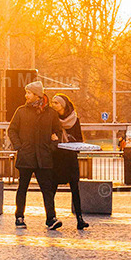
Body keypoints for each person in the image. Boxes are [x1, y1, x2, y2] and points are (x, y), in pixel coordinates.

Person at [8, 80, 63, 230]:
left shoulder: (50, 113)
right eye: (26, 92)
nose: (26, 96)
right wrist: (19, 146)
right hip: (26, 156)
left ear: (37, 95)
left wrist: (52, 147)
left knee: (47, 190)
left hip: (43, 157)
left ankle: (51, 218)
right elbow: (12, 130)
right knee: (22, 188)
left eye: (29, 93)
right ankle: (19, 217)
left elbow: (58, 132)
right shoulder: (21, 111)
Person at [51, 93, 89, 230]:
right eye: (52, 102)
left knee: (75, 188)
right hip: (56, 157)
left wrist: (71, 140)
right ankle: (51, 217)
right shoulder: (51, 118)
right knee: (52, 188)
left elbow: (79, 139)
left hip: (70, 157)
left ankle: (80, 218)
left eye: (56, 103)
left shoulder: (74, 119)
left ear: (63, 105)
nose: (53, 105)